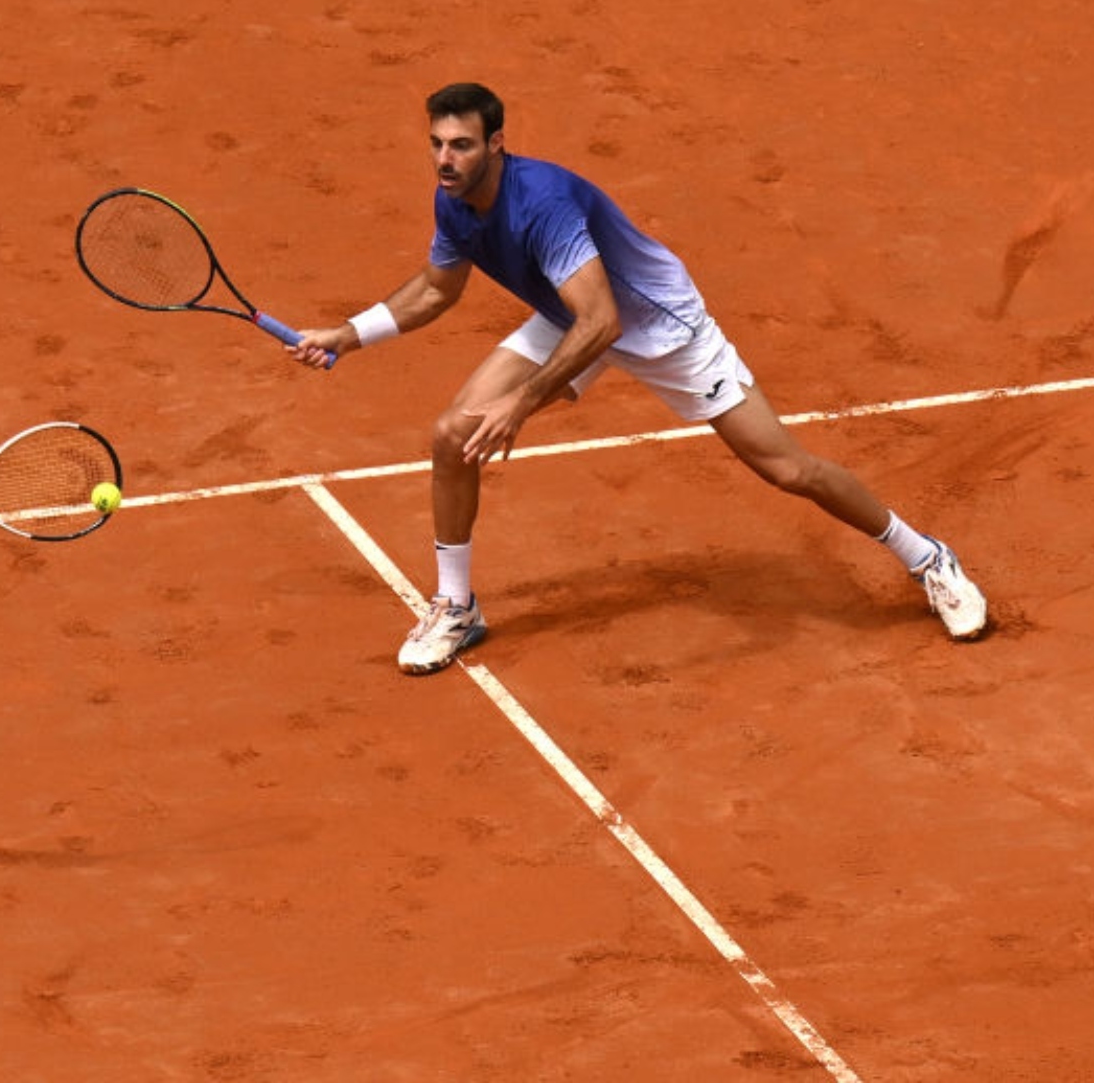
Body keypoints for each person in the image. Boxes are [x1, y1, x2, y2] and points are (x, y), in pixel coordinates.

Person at [290, 82, 988, 675]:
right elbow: (436, 292)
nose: (445, 159)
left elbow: (605, 325)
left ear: (496, 144)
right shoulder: (454, 198)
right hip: (575, 313)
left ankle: (926, 558)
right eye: (438, 144)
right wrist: (348, 334)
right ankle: (457, 605)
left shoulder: (545, 203)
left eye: (462, 145)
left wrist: (521, 406)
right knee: (451, 436)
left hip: (656, 325)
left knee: (787, 468)